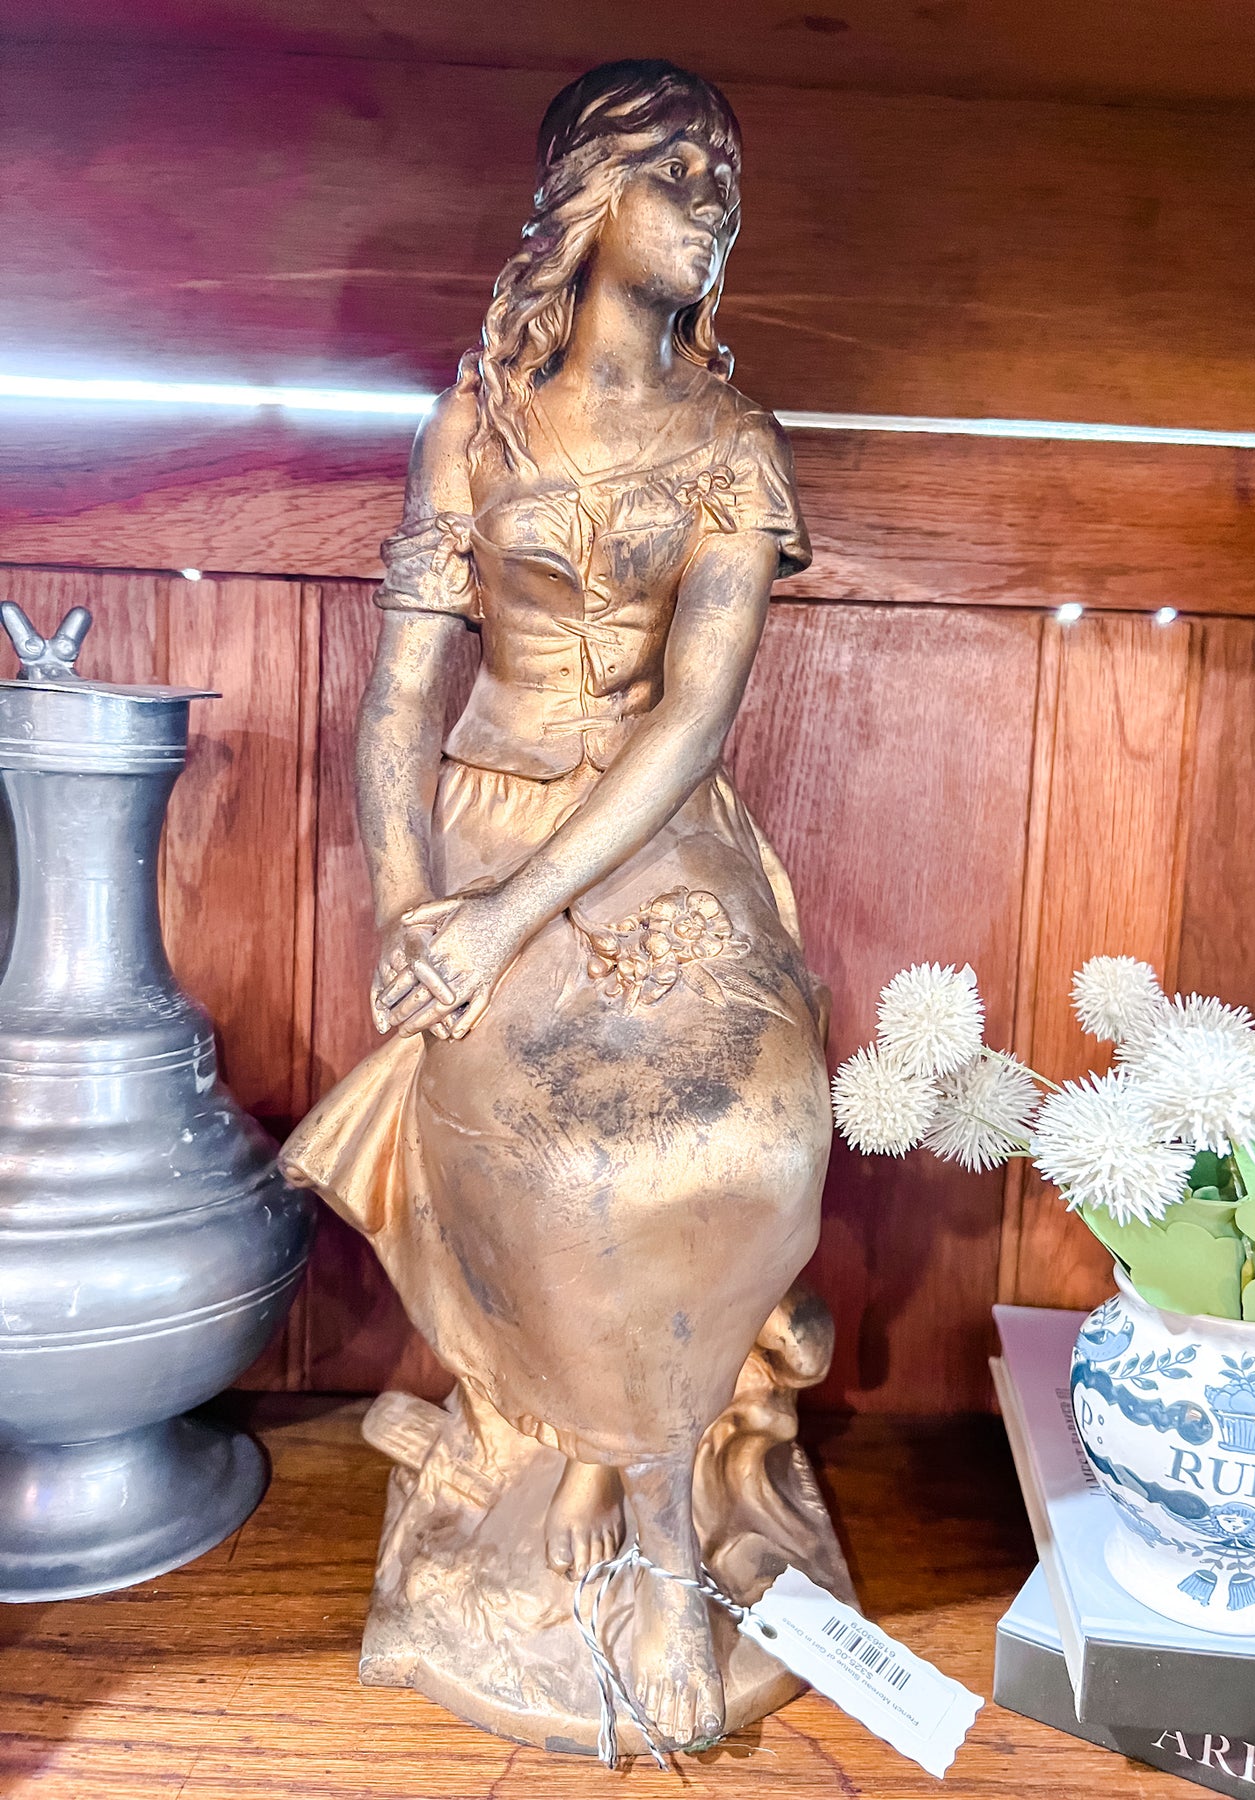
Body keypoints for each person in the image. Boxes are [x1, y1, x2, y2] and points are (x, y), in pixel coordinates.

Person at [284, 59, 832, 1752]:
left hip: (657, 837)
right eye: (680, 171)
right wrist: (410, 915)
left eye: (728, 176)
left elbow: (693, 720)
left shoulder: (734, 442)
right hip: (481, 823)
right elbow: (396, 699)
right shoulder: (476, 426)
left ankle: (653, 1498)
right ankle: (620, 1495)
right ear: (590, 198)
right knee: (556, 1150)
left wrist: (498, 920)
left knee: (754, 1123)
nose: (714, 203)